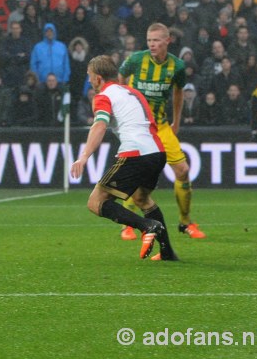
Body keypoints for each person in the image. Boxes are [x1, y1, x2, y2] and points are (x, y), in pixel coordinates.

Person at [70, 55, 178, 261]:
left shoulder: (103, 96)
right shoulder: (133, 92)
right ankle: (167, 253)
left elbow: (99, 124)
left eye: (90, 77)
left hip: (135, 153)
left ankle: (147, 227)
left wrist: (83, 156)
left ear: (99, 78)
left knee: (95, 202)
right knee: (142, 199)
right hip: (157, 152)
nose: (89, 81)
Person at [118, 23, 206, 240]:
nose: (152, 44)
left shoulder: (177, 66)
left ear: (168, 41)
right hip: (138, 127)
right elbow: (120, 77)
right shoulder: (137, 60)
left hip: (162, 126)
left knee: (183, 170)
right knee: (137, 171)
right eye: (149, 40)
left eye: (156, 40)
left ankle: (185, 223)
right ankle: (128, 225)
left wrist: (176, 122)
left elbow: (178, 93)